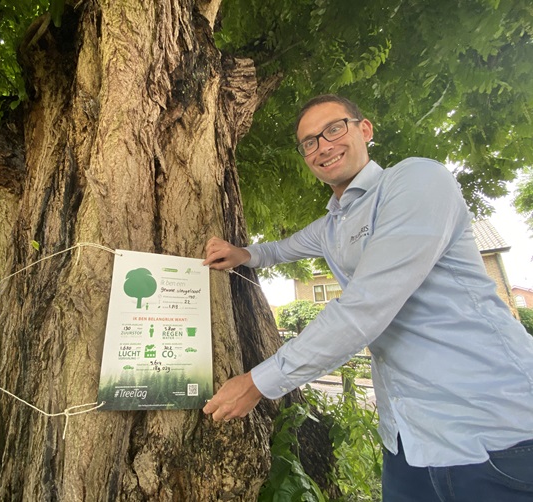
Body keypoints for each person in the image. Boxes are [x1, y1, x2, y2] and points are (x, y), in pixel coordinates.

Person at [202, 94, 533, 501]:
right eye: (309, 142)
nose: (322, 145)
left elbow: (365, 306)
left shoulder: (416, 180)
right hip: (406, 440)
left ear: (365, 129)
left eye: (334, 128)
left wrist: (259, 381)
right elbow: (280, 249)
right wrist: (242, 254)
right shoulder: (332, 224)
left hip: (493, 431)